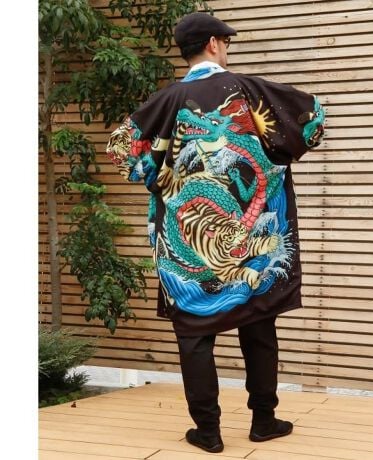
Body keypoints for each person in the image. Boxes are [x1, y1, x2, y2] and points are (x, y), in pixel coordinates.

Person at [107, 12, 325, 454]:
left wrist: (161, 178)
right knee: (259, 324)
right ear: (212, 43)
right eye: (225, 41)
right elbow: (312, 120)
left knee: (194, 333)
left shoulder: (166, 101)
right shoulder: (251, 90)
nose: (226, 47)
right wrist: (274, 157)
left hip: (187, 243)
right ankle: (263, 420)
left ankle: (207, 431)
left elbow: (121, 149)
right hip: (249, 243)